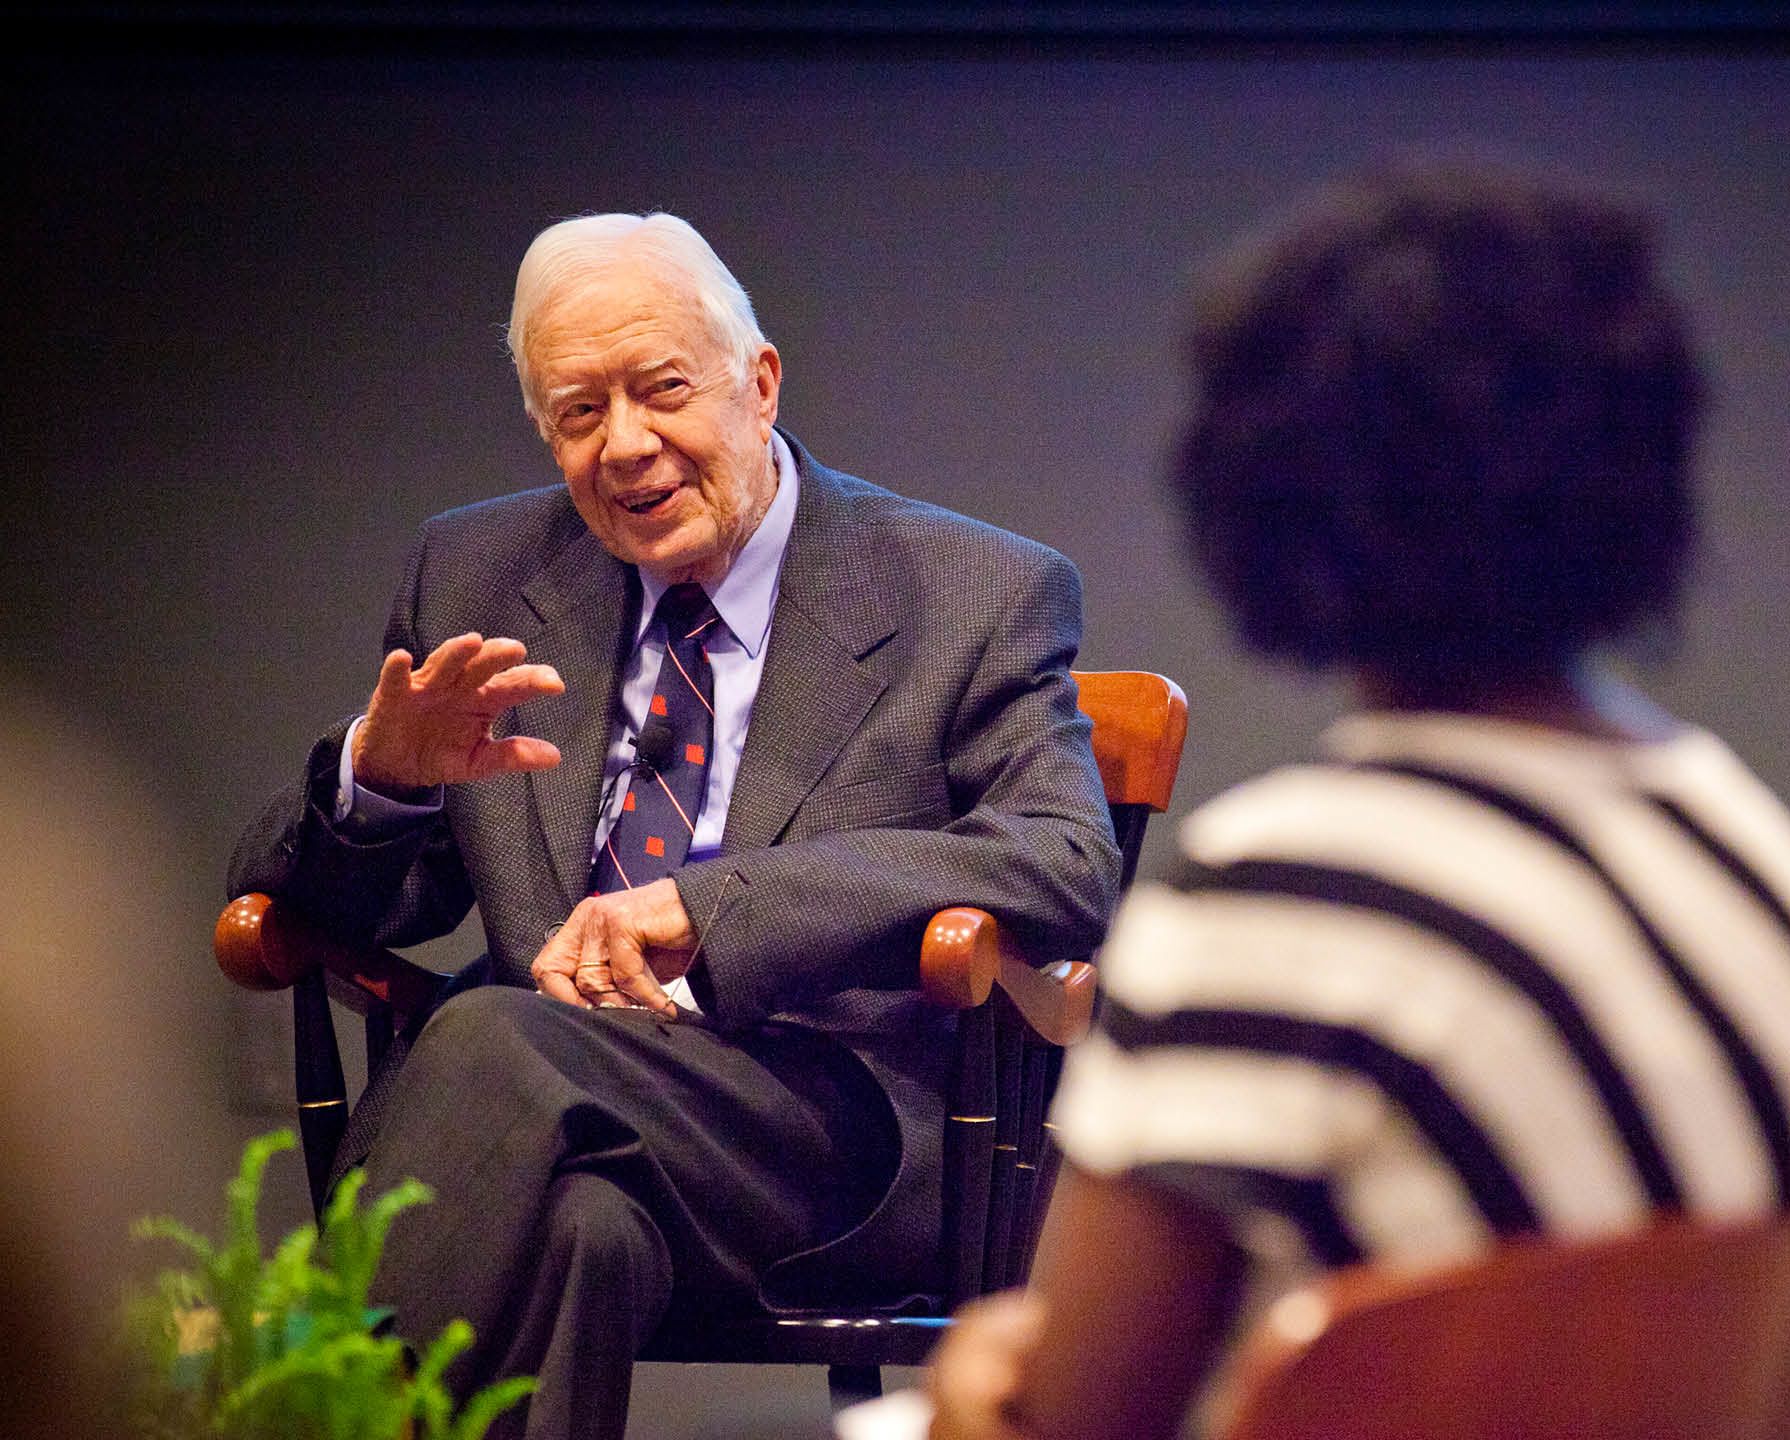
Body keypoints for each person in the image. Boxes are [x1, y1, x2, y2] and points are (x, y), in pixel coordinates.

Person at [913, 159, 1790, 1440]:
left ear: (1266, 494)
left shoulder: (1280, 897)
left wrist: (981, 1388)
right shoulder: (1756, 862)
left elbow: (1078, 1422)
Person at [227, 212, 1122, 1440]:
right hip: (548, 1116)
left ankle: (295, 1415)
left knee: (492, 1038)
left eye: (661, 391)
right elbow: (354, 905)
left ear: (757, 385)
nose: (627, 446)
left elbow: (1064, 861)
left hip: (820, 1129)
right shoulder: (477, 573)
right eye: (579, 413)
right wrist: (380, 785)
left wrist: (717, 908)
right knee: (577, 1229)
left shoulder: (971, 590)